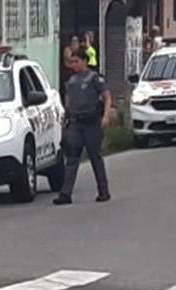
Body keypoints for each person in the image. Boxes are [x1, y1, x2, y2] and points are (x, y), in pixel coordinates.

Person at [56, 49, 112, 205]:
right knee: (72, 158)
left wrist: (106, 116)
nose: (74, 65)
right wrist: (65, 122)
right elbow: (68, 102)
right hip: (76, 123)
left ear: (84, 61)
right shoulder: (72, 81)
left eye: (76, 62)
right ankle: (65, 194)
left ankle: (103, 191)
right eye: (72, 62)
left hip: (91, 124)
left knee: (95, 157)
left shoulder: (94, 78)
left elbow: (107, 97)